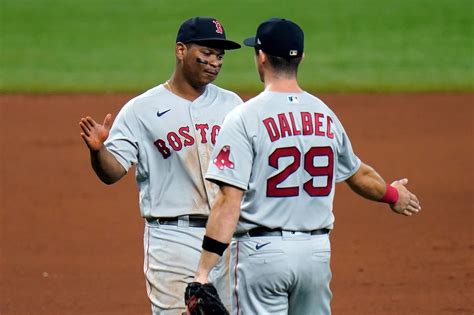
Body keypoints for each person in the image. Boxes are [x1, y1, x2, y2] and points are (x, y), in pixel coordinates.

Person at [192, 18, 422, 314]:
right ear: (300, 57)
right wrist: (393, 195)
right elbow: (358, 173)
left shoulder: (244, 118)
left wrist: (203, 271)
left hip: (262, 256)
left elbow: (228, 200)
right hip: (315, 256)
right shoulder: (325, 115)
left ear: (261, 57)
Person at [79, 16, 242, 314]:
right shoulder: (141, 109)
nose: (214, 62)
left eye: (219, 56)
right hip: (172, 239)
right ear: (181, 50)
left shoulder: (233, 105)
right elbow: (112, 171)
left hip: (225, 235)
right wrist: (98, 151)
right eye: (205, 53)